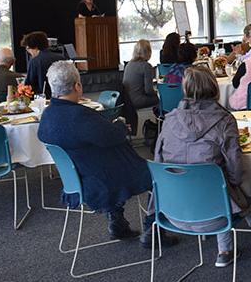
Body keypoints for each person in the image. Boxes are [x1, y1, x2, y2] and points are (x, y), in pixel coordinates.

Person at [153, 66, 251, 266]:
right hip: (215, 213)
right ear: (214, 87)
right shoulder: (223, 120)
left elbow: (158, 162)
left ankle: (249, 234)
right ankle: (235, 242)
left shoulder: (169, 120)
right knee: (227, 180)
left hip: (172, 211)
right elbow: (235, 171)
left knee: (212, 178)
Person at [37, 62, 177, 247]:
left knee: (110, 160)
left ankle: (117, 222)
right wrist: (120, 124)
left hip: (78, 176)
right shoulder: (79, 116)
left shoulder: (47, 115)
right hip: (98, 179)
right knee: (158, 175)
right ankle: (153, 230)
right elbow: (113, 136)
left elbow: (97, 135)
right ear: (77, 86)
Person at [21, 31, 65, 97]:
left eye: (27, 48)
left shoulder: (34, 61)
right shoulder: (61, 58)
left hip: (43, 99)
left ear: (35, 47)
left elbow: (29, 85)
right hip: (62, 96)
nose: (28, 52)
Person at [122, 39, 159, 111]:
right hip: (138, 101)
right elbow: (148, 91)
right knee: (163, 98)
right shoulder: (146, 66)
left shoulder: (129, 64)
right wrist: (157, 92)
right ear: (148, 52)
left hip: (127, 100)